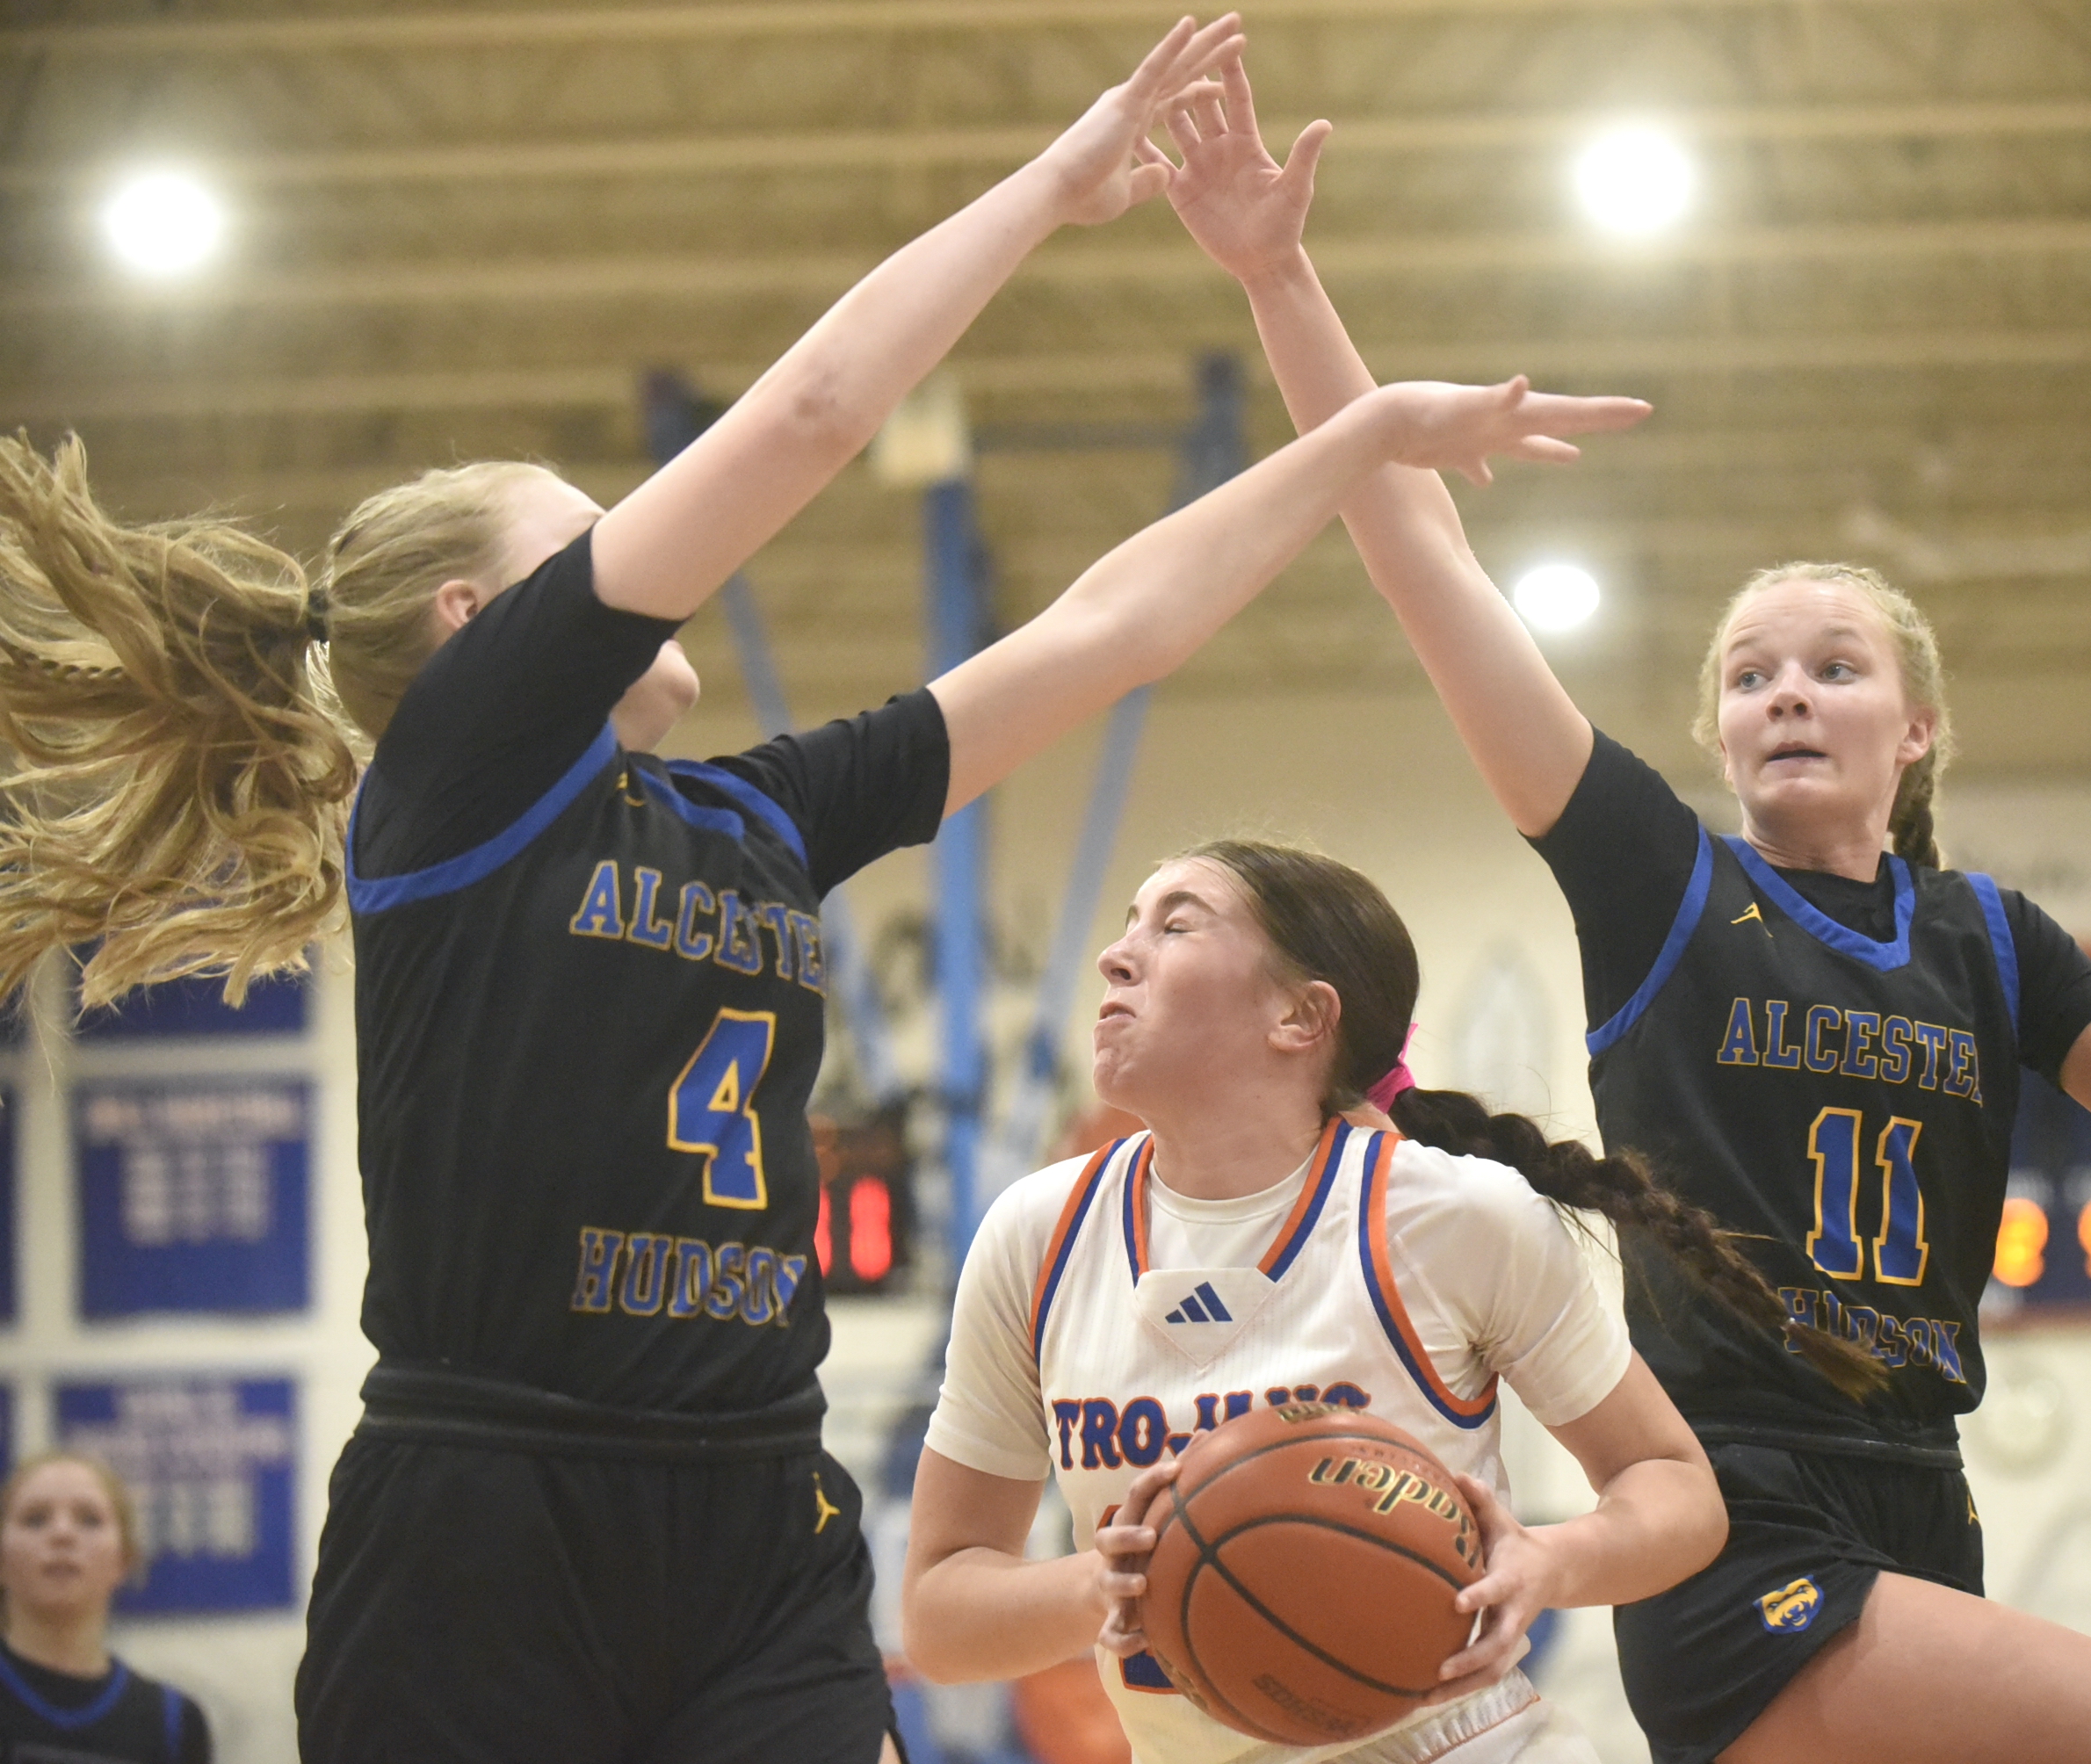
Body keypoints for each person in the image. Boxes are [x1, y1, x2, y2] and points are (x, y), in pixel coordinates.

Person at [0, 18, 1651, 1760]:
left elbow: (1109, 631)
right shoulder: (460, 783)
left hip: (751, 1506)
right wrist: (1051, 188)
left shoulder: (757, 820)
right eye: (587, 536)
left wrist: (1359, 441)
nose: (646, 554)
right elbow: (811, 413)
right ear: (481, 633)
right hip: (489, 1506)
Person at [1151, 56, 2091, 1764]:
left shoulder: (1991, 941)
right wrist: (1275, 274)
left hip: (1925, 1498)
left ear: (1914, 730)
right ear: (1713, 730)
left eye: (1835, 665)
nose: (1785, 692)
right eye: (1749, 671)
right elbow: (1416, 554)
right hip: (1733, 1515)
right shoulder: (1657, 877)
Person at [905, 837, 1828, 1764]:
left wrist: (1547, 1563)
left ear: (1300, 1017)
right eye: (1127, 923)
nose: (1117, 953)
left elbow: (1674, 1490)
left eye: (1175, 923)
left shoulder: (1452, 1216)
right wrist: (1101, 1587)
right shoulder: (1036, 1232)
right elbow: (939, 1612)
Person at [0, 1453, 212, 1764]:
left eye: (89, 1519)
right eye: (35, 1519)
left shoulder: (173, 1721)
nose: (62, 1534)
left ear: (124, 1560)